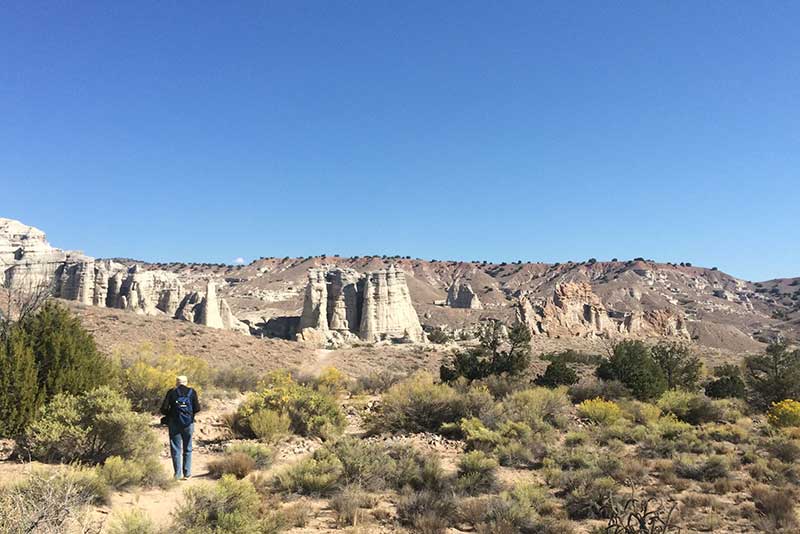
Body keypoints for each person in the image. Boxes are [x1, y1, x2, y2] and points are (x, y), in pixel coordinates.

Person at [160, 375, 200, 480]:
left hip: (174, 424)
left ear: (176, 383)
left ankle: (177, 475)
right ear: (186, 382)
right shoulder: (192, 392)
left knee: (175, 449)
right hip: (188, 424)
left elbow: (163, 409)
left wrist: (171, 415)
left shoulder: (171, 392)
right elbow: (197, 408)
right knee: (188, 448)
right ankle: (187, 474)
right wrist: (189, 416)